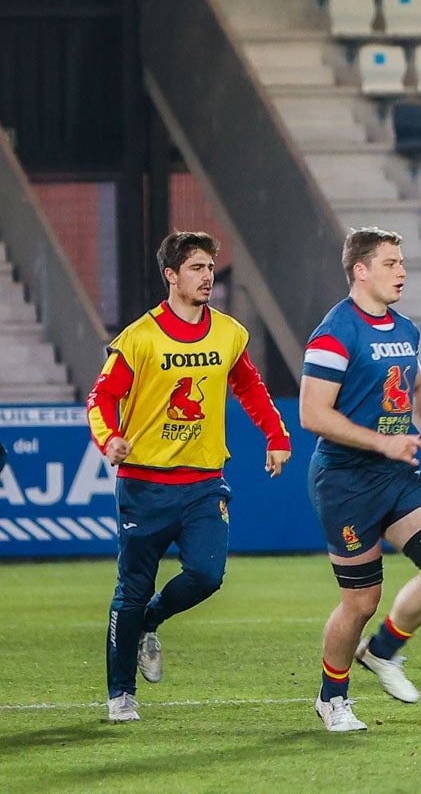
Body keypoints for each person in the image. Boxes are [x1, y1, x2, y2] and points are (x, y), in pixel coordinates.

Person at [86, 231, 292, 723]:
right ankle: (121, 694)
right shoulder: (138, 338)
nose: (207, 276)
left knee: (206, 575)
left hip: (203, 482)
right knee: (131, 590)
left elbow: (249, 385)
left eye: (210, 267)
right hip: (144, 484)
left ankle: (151, 622)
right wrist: (110, 439)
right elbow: (100, 398)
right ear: (171, 276)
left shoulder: (229, 333)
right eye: (196, 268)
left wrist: (276, 435)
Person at [301, 227, 421, 732]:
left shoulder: (404, 329)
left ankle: (385, 650)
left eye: (402, 262)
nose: (402, 271)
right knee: (361, 601)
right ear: (361, 270)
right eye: (391, 263)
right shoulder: (335, 333)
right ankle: (332, 697)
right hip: (345, 480)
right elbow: (312, 414)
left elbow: (416, 381)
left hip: (395, 472)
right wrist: (382, 442)